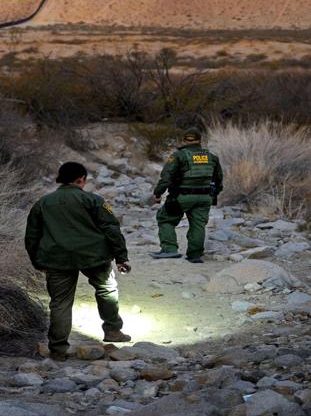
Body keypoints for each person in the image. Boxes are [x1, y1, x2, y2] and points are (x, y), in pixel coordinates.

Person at [24, 161, 132, 360]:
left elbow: (31, 237)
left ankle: (58, 349)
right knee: (107, 289)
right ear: (81, 180)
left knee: (60, 303)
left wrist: (38, 262)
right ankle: (113, 330)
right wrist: (121, 258)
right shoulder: (94, 200)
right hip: (94, 257)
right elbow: (112, 229)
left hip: (56, 259)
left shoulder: (43, 203)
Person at [150, 128, 222, 263]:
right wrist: (213, 195)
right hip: (205, 197)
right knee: (198, 225)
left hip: (182, 196)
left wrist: (158, 193)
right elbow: (218, 180)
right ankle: (195, 256)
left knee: (165, 219)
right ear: (200, 140)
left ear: (184, 140)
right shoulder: (212, 157)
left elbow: (166, 177)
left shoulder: (179, 156)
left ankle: (169, 249)